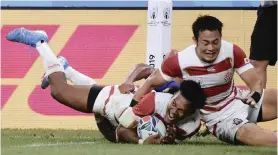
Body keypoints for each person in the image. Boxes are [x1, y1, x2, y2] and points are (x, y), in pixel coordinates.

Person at [6, 27, 206, 144]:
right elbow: (126, 122)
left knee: (111, 136)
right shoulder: (162, 91)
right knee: (59, 91)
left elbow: (173, 133)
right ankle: (40, 42)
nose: (174, 110)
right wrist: (142, 139)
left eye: (180, 111)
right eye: (175, 104)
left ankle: (66, 69)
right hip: (121, 103)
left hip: (125, 105)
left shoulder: (191, 124)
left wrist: (166, 139)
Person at [131, 15, 277, 146]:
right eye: (205, 43)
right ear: (195, 40)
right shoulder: (180, 61)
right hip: (219, 118)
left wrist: (255, 96)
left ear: (221, 37)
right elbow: (150, 81)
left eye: (215, 42)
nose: (211, 48)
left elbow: (255, 82)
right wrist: (131, 110)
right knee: (263, 138)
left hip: (239, 100)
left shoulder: (232, 51)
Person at [250, 1, 277, 88]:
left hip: (271, 12)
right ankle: (259, 100)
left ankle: (258, 100)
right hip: (269, 13)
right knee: (258, 62)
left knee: (258, 62)